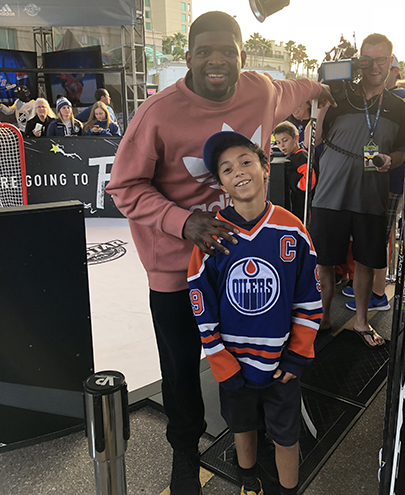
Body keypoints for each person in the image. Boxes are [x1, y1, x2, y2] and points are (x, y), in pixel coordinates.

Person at [106, 11, 335, 495]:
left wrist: (319, 89)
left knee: (251, 355)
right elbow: (123, 185)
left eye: (227, 51)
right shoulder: (158, 113)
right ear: (186, 57)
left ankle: (254, 445)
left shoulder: (260, 90)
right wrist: (183, 222)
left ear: (242, 56)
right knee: (184, 367)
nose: (216, 61)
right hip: (177, 271)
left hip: (246, 262)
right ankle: (186, 454)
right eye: (204, 51)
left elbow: (293, 89)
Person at [188, 131, 322, 495]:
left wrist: (296, 355)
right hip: (235, 365)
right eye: (227, 168)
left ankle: (288, 490)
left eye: (246, 162)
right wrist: (221, 361)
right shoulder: (214, 236)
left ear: (265, 167)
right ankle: (248, 482)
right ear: (221, 183)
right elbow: (202, 307)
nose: (239, 172)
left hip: (281, 365)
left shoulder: (292, 230)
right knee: (241, 426)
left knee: (285, 435)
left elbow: (309, 300)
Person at [306, 33, 405, 346]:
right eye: (367, 60)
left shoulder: (398, 108)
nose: (374, 66)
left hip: (371, 197)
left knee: (365, 261)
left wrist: (390, 159)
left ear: (391, 63)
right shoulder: (340, 96)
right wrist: (323, 102)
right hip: (329, 193)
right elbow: (315, 138)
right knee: (324, 260)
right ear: (358, 61)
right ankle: (322, 318)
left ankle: (362, 322)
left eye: (380, 60)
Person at [345, 54, 405, 310]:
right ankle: (368, 286)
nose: (376, 69)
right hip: (370, 180)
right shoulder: (367, 97)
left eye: (385, 65)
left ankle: (378, 293)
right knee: (370, 236)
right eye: (368, 63)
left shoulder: (401, 100)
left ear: (394, 70)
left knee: (378, 238)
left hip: (391, 180)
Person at [273, 121, 317, 222]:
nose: (282, 145)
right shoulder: (292, 157)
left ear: (296, 138)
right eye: (278, 142)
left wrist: (295, 182)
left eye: (285, 140)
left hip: (305, 205)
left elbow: (309, 182)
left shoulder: (301, 157)